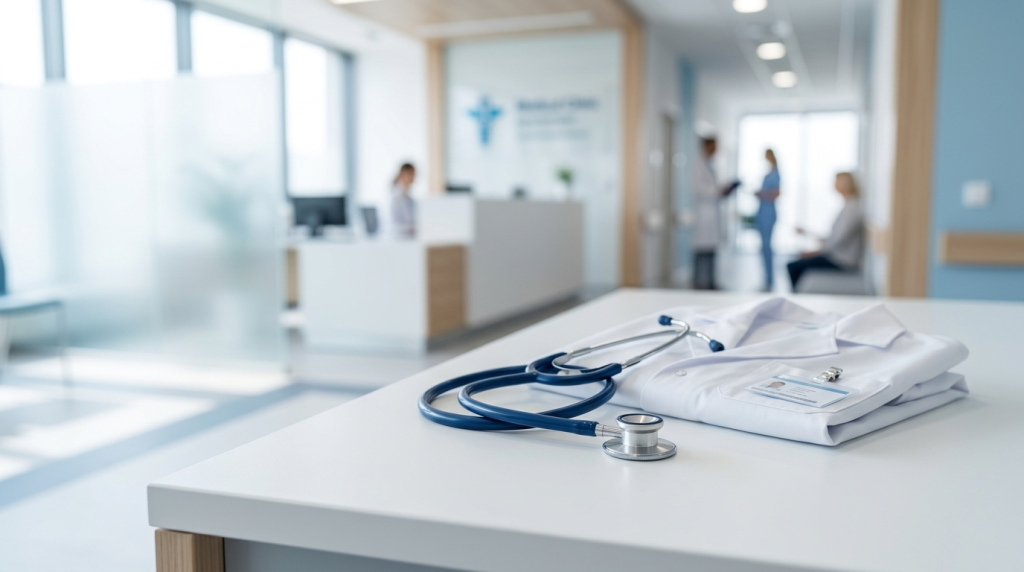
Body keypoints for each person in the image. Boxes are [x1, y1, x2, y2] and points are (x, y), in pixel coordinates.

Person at [787, 172, 865, 290]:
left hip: (842, 261)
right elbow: (833, 237)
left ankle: (798, 299)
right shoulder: (848, 206)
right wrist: (807, 233)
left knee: (793, 267)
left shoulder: (852, 208)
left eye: (836, 181)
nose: (833, 185)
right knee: (795, 263)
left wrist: (813, 253)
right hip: (836, 256)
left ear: (844, 184)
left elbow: (837, 241)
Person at [692, 137, 739, 290]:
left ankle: (710, 282)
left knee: (711, 251)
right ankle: (699, 282)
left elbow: (713, 187)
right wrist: (719, 190)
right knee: (701, 252)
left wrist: (723, 190)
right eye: (714, 146)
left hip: (712, 212)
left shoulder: (709, 164)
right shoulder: (698, 165)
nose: (716, 150)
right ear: (707, 146)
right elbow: (699, 188)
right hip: (704, 213)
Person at [755, 149, 780, 291]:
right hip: (762, 212)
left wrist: (761, 193)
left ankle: (770, 280)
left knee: (767, 247)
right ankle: (766, 279)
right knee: (763, 248)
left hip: (768, 214)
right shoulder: (770, 172)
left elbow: (777, 193)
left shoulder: (775, 173)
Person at [390, 163, 416, 238]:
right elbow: (396, 224)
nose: (414, 178)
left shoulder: (407, 196)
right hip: (399, 237)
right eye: (412, 174)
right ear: (404, 174)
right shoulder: (396, 196)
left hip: (406, 237)